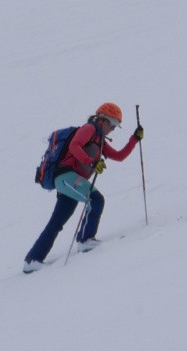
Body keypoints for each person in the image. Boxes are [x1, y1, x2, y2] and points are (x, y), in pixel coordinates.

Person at [23, 102, 144, 273]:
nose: (114, 128)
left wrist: (135, 139)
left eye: (117, 125)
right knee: (96, 200)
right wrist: (92, 162)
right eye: (113, 124)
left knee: (57, 222)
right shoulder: (89, 129)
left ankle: (32, 260)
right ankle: (85, 240)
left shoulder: (99, 139)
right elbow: (74, 146)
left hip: (71, 180)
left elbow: (118, 156)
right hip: (66, 176)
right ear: (102, 119)